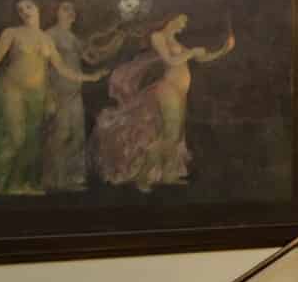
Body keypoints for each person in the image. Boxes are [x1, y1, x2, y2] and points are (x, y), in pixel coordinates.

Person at [0, 0, 107, 198]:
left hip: (37, 94)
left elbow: (62, 69)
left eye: (28, 6)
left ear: (38, 9)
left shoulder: (47, 39)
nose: (24, 11)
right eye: (20, 9)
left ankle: (17, 184)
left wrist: (90, 77)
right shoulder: (12, 33)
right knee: (16, 138)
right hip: (11, 89)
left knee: (31, 142)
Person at [90, 13, 236, 192]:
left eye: (185, 22)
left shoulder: (178, 42)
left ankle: (167, 173)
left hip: (181, 92)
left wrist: (224, 50)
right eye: (181, 20)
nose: (183, 24)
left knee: (175, 134)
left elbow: (202, 58)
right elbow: (170, 60)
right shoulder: (157, 37)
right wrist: (191, 52)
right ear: (170, 19)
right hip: (168, 89)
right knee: (170, 133)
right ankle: (143, 175)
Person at [41, 0, 125, 192]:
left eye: (72, 10)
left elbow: (92, 56)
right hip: (57, 91)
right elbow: (45, 68)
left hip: (74, 92)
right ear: (56, 12)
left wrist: (115, 42)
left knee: (77, 134)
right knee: (60, 134)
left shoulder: (73, 38)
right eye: (65, 8)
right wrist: (49, 95)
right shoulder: (49, 35)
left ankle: (72, 177)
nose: (70, 12)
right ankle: (54, 178)